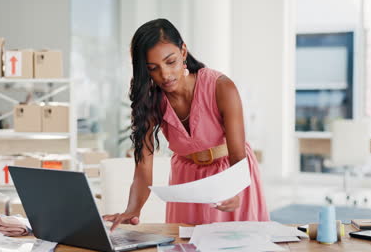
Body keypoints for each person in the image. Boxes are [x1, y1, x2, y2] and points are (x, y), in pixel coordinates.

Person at [104, 18, 269, 231]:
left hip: (231, 174)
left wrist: (235, 189)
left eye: (170, 62)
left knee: (238, 241)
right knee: (185, 242)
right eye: (153, 68)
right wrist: (133, 209)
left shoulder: (221, 87)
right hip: (186, 181)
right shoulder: (151, 100)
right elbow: (144, 167)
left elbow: (238, 155)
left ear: (183, 52)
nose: (165, 75)